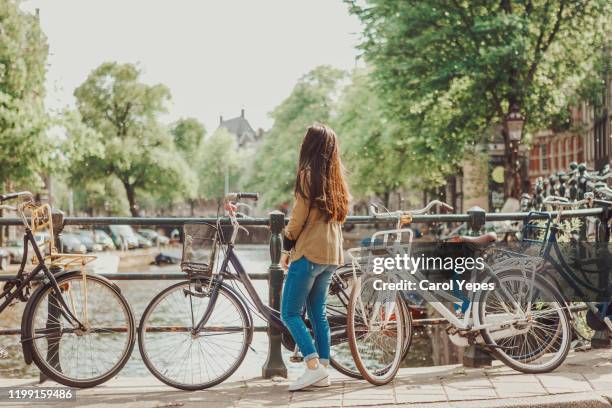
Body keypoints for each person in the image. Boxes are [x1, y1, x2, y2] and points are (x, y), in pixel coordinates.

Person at [280, 124, 350, 391]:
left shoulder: (308, 175)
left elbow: (297, 219)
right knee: (318, 313)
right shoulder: (337, 179)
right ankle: (324, 369)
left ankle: (312, 367)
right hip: (332, 255)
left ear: (309, 146)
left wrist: (286, 247)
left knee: (289, 313)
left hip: (308, 252)